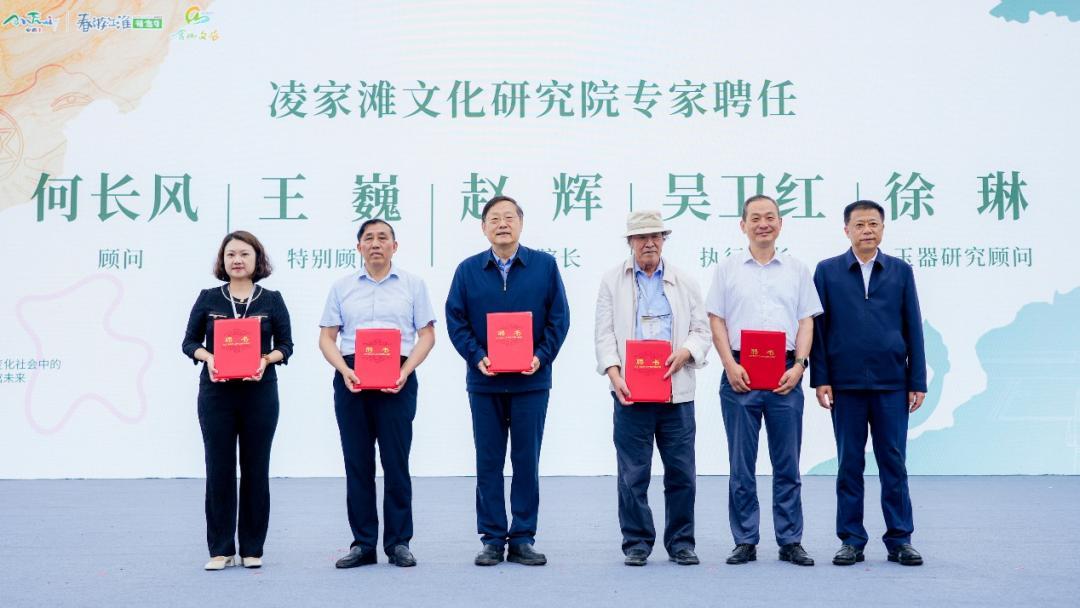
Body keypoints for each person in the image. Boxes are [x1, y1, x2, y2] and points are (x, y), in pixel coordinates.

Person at [445, 195, 570, 566]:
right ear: (483, 227)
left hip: (531, 382)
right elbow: (455, 320)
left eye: (509, 217)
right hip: (485, 382)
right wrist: (477, 356)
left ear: (521, 223)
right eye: (494, 218)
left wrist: (541, 356)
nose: (502, 224)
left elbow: (559, 319)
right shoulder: (467, 270)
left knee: (526, 461)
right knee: (488, 462)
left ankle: (523, 538)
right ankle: (492, 538)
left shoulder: (544, 266)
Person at [705, 195, 822, 567]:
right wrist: (729, 364)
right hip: (740, 372)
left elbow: (806, 321)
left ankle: (790, 540)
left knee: (787, 463)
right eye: (755, 218)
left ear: (780, 224)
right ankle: (745, 540)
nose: (763, 224)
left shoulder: (797, 270)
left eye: (770, 217)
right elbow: (716, 320)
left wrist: (800, 365)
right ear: (743, 225)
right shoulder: (727, 269)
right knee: (741, 464)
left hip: (785, 373)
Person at [810, 200, 926, 567]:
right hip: (845, 385)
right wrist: (821, 379)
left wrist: (917, 379)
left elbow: (913, 326)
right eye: (859, 224)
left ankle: (900, 539)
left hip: (892, 383)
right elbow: (819, 331)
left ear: (883, 229)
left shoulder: (900, 271)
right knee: (849, 463)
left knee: (894, 462)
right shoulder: (827, 271)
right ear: (846, 230)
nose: (867, 230)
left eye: (873, 224)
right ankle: (851, 539)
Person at [594, 210, 711, 567]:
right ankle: (637, 542)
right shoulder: (612, 281)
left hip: (676, 394)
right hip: (630, 394)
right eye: (642, 237)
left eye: (655, 236)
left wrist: (686, 351)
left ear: (664, 240)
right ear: (630, 242)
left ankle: (681, 543)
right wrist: (614, 374)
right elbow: (604, 334)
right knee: (633, 474)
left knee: (681, 473)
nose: (649, 243)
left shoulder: (684, 281)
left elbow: (701, 330)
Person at [319, 219, 436, 569]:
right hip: (352, 377)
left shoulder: (413, 285)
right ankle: (363, 544)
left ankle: (399, 543)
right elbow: (327, 338)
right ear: (358, 248)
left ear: (394, 246)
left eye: (383, 237)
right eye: (368, 238)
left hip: (397, 377)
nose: (375, 243)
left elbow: (427, 335)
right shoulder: (342, 287)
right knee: (357, 463)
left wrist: (405, 370)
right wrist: (344, 370)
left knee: (396, 462)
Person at [182, 230, 294, 571]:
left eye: (245, 254)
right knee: (219, 469)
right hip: (216, 395)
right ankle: (220, 549)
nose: (237, 260)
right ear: (222, 260)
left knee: (256, 469)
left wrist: (266, 359)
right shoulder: (208, 298)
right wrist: (208, 357)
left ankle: (252, 548)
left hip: (260, 393)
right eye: (231, 254)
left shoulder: (272, 300)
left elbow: (286, 345)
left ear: (257, 259)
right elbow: (188, 342)